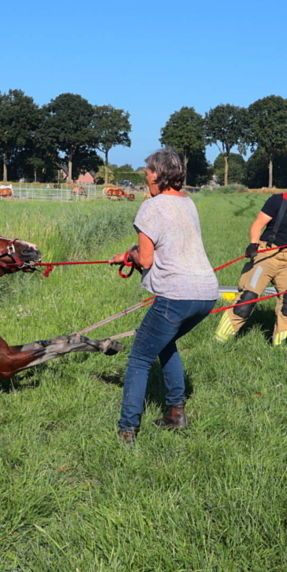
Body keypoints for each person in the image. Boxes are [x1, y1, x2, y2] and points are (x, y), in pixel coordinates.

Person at [108, 148, 218, 444]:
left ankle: (127, 429)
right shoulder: (188, 202)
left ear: (158, 174)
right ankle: (175, 414)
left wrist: (125, 255)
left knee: (139, 359)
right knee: (166, 344)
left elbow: (145, 260)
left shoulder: (151, 206)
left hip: (176, 294)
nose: (145, 176)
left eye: (147, 171)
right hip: (207, 293)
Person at [214, 166, 287, 346]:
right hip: (267, 254)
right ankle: (219, 341)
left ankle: (282, 346)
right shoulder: (277, 201)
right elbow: (257, 224)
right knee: (248, 297)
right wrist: (254, 243)